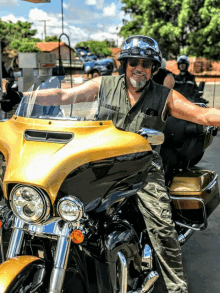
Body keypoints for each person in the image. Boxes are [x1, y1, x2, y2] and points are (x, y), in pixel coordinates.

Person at [2, 35, 220, 293]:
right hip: (103, 162)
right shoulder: (104, 85)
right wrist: (23, 96)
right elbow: (63, 95)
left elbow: (202, 114)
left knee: (162, 226)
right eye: (134, 62)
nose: (139, 68)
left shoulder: (165, 96)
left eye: (146, 63)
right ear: (124, 63)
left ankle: (177, 287)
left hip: (143, 167)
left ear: (153, 68)